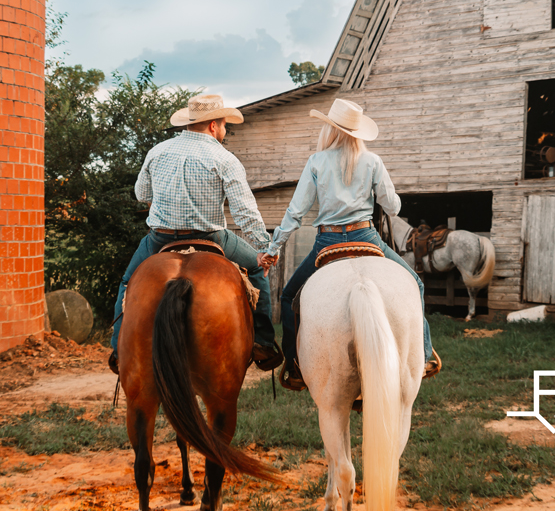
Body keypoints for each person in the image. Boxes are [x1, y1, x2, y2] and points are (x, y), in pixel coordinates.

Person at [263, 98, 441, 391]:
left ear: (330, 129)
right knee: (416, 284)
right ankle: (422, 356)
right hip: (366, 236)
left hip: (327, 240)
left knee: (289, 296)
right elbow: (393, 207)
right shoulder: (372, 161)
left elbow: (296, 211)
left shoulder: (316, 162)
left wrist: (274, 247)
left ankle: (294, 366)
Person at [107, 93, 282, 376]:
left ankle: (118, 349)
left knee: (128, 282)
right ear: (213, 125)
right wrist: (265, 247)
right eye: (225, 125)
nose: (224, 132)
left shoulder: (158, 151)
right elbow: (244, 213)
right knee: (255, 270)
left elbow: (141, 194)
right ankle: (263, 343)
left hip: (160, 238)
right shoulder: (225, 159)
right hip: (211, 238)